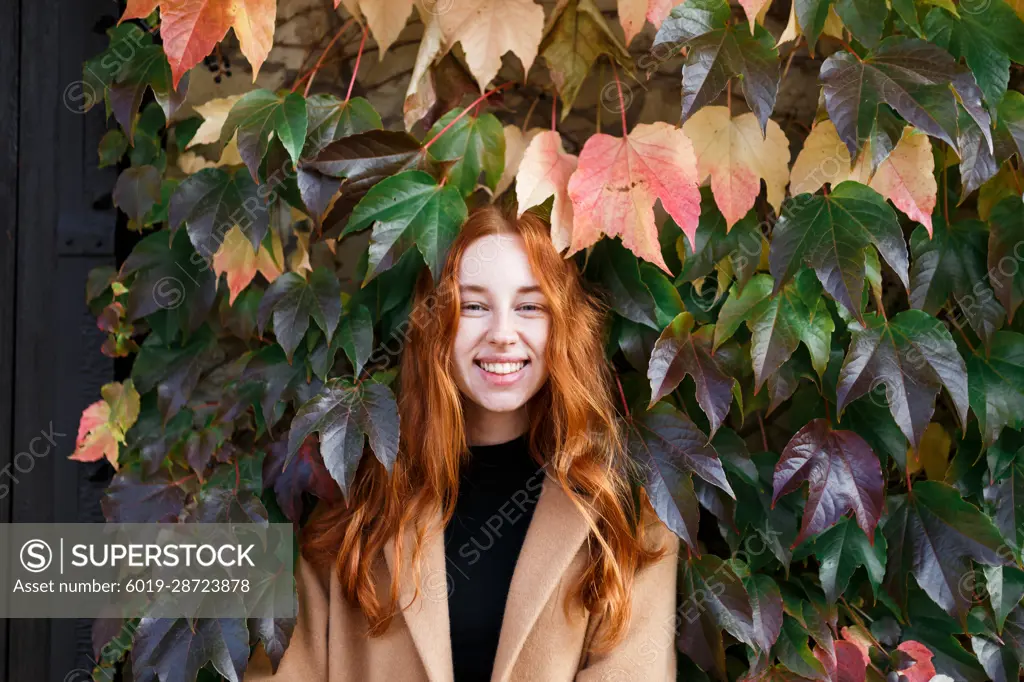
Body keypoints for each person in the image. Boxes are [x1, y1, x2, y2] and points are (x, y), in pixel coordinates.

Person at [245, 204, 680, 681]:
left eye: (529, 306)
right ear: (435, 327)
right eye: (473, 306)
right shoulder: (358, 505)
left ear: (562, 327)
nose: (501, 335)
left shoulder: (626, 521)